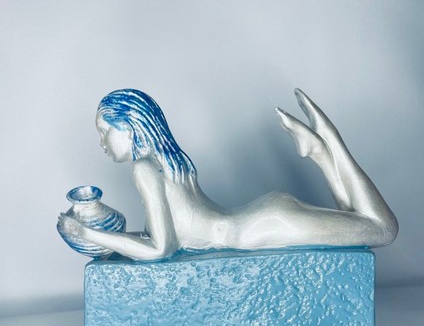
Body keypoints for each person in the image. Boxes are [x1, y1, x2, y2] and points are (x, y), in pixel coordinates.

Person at [58, 88, 398, 261]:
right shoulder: (165, 161)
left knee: (381, 229)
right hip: (261, 218)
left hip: (259, 228)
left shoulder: (145, 168)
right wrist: (108, 243)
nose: (101, 142)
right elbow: (162, 238)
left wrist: (87, 233)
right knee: (356, 224)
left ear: (129, 128)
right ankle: (320, 152)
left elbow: (161, 249)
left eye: (105, 131)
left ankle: (330, 144)